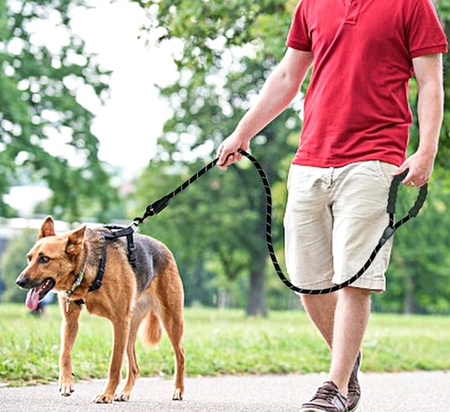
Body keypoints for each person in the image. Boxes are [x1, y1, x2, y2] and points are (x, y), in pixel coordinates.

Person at [216, 1, 447, 411]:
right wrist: (242, 132)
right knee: (308, 281)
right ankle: (348, 359)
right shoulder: (312, 4)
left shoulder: (413, 5)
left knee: (355, 278)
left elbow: (429, 82)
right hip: (310, 160)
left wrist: (425, 149)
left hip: (375, 159)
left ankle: (336, 386)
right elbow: (288, 75)